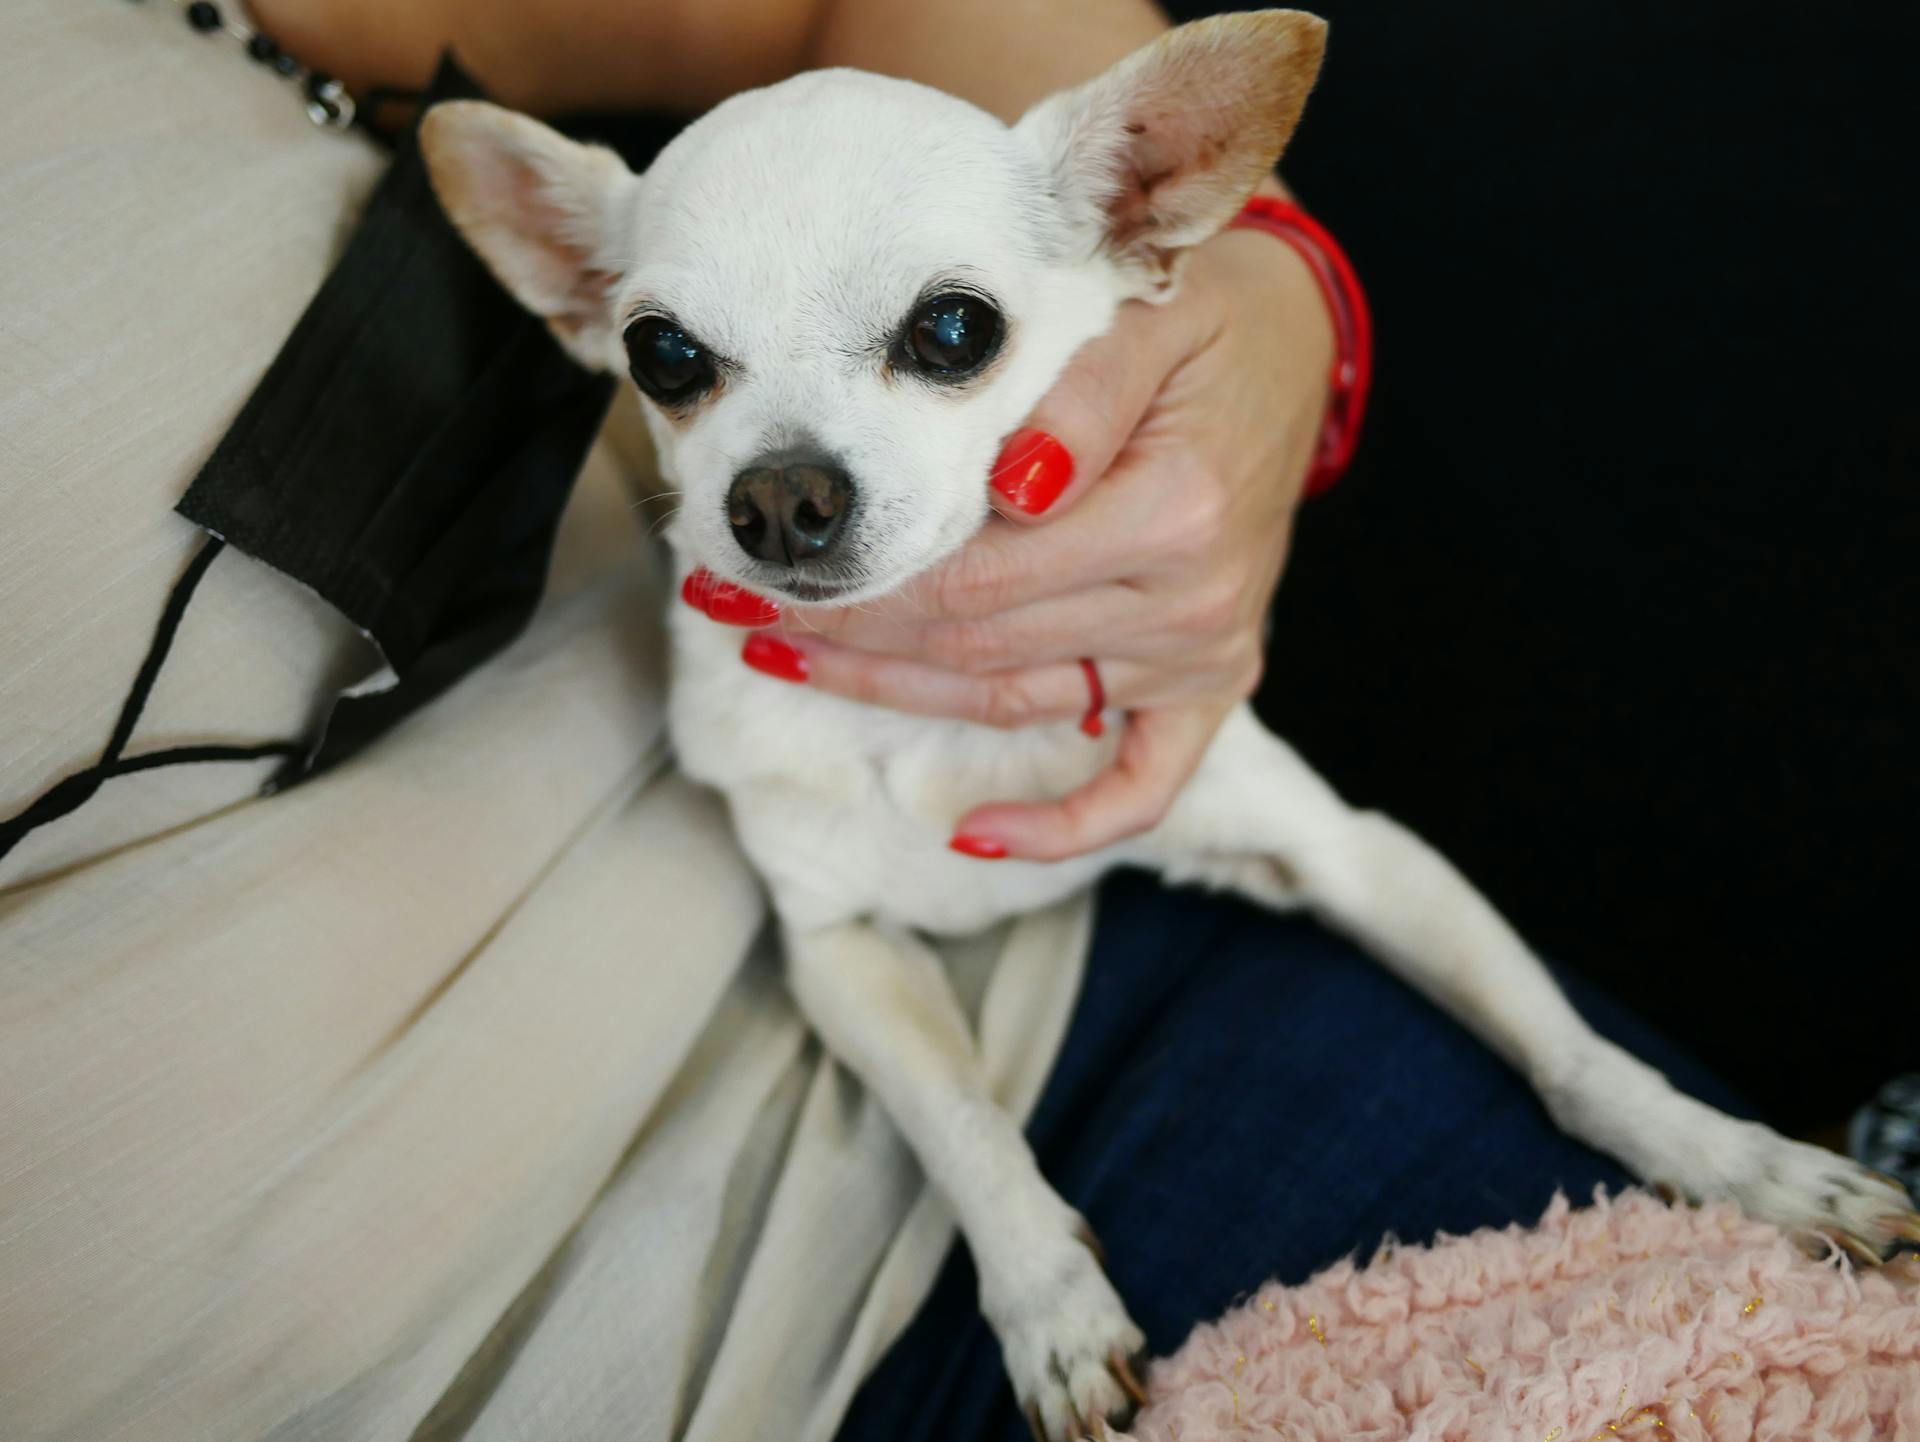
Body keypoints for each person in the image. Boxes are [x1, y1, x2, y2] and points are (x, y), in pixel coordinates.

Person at [1, 2, 1904, 1440]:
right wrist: (1017, 1233)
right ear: (586, 298)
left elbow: (1338, 853)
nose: (787, 478)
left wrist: (1270, 297)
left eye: (943, 336)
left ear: (1138, 198)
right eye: (683, 360)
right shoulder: (736, 661)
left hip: (1143, 1013)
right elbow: (832, 923)